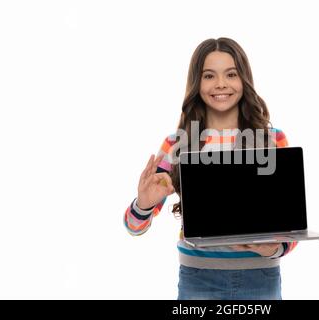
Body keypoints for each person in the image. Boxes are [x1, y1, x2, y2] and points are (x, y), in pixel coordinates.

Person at [124, 37, 298, 300]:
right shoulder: (177, 143)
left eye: (231, 74)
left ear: (244, 80)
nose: (220, 84)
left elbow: (293, 229)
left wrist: (272, 248)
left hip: (261, 278)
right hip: (197, 279)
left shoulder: (273, 140)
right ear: (197, 83)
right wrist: (144, 204)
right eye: (209, 76)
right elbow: (133, 226)